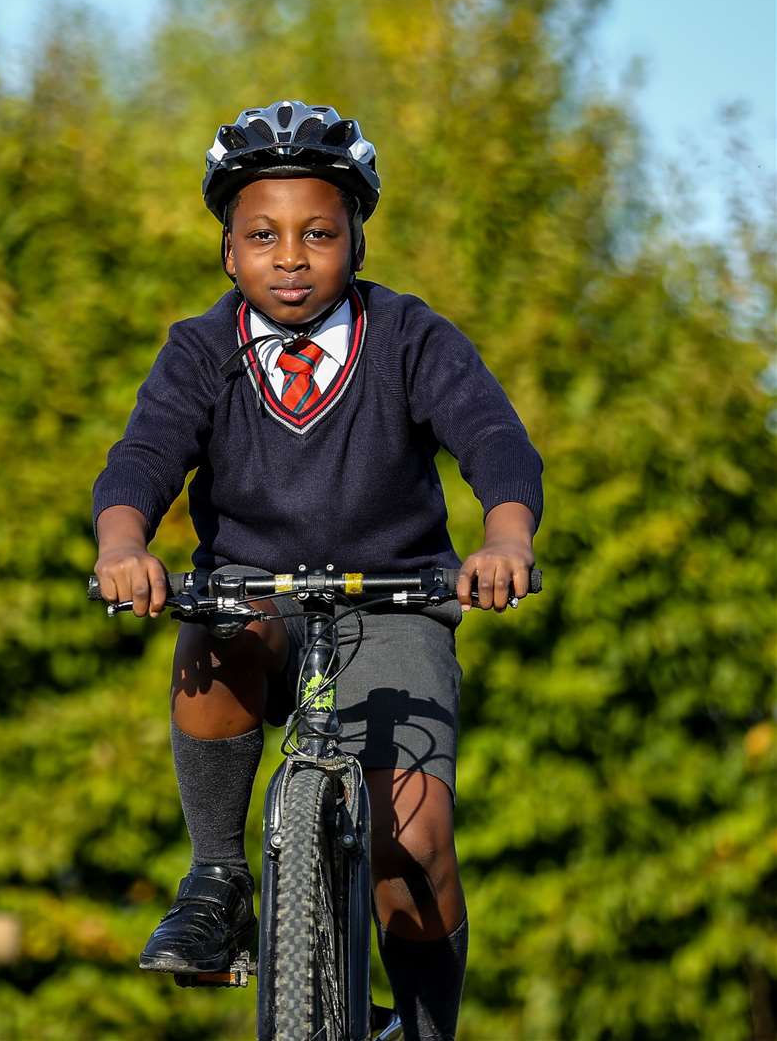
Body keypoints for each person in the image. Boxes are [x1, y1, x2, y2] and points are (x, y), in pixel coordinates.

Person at [91, 102, 542, 1039]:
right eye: (261, 235)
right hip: (256, 601)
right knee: (212, 625)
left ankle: (422, 1026)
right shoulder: (201, 349)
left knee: (409, 842)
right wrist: (122, 543)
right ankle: (217, 875)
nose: (289, 256)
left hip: (394, 608)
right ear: (228, 254)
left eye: (317, 234)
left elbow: (494, 441)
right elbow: (144, 456)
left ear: (357, 242)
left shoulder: (410, 338)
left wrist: (503, 537)